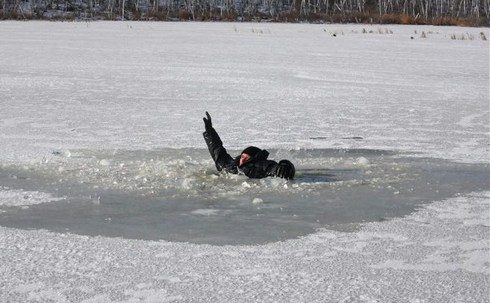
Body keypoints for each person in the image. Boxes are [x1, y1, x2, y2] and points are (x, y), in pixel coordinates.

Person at [202, 112, 295, 180]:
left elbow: (273, 168)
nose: (243, 160)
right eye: (243, 156)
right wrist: (210, 131)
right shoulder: (231, 165)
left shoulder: (260, 165)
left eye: (247, 158)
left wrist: (284, 166)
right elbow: (217, 150)